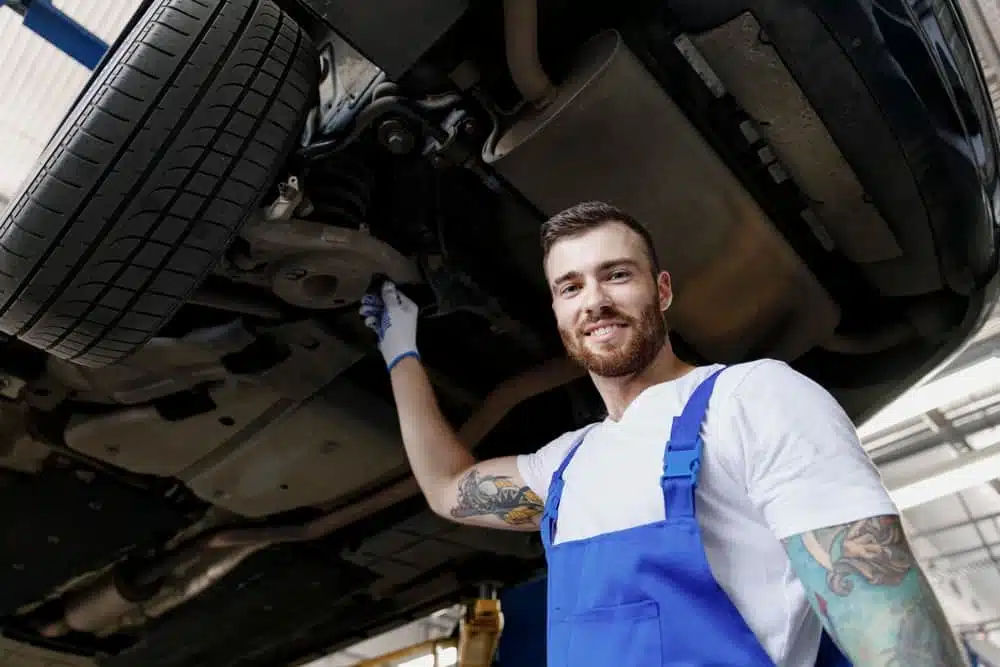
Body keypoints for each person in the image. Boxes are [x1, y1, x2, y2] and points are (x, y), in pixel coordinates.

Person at [359, 200, 966, 667]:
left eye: (616, 275)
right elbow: (447, 489)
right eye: (571, 287)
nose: (594, 300)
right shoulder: (563, 468)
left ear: (663, 290)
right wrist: (398, 350)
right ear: (558, 315)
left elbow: (889, 621)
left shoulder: (749, 400)